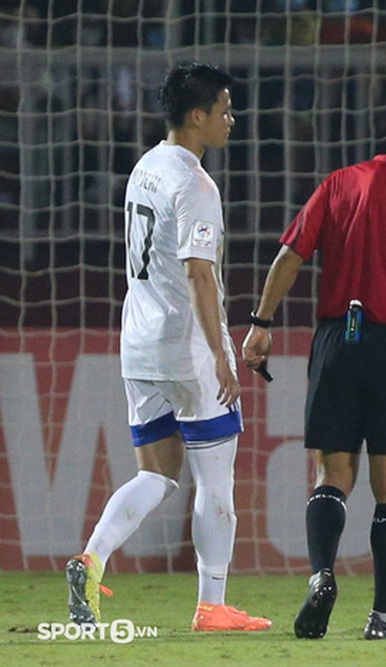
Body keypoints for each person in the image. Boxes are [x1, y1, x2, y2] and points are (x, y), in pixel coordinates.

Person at [240, 100, 386, 641]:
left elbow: (290, 256)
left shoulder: (341, 182)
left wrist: (260, 323)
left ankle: (322, 575)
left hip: (336, 340)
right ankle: (385, 617)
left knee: (332, 474)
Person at [65, 62, 271, 632]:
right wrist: (222, 355)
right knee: (216, 479)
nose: (232, 119)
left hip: (139, 343)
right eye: (225, 110)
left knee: (156, 474)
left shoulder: (144, 168)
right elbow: (200, 275)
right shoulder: (196, 184)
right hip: (187, 349)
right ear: (197, 116)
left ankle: (92, 557)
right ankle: (213, 605)